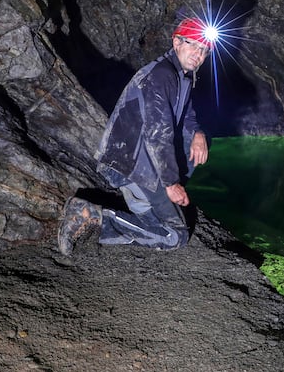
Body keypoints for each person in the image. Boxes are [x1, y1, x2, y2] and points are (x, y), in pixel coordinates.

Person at [58, 17, 212, 254]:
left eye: (203, 50)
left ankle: (145, 207)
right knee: (175, 237)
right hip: (131, 162)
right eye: (193, 45)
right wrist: (171, 183)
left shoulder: (181, 76)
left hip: (143, 160)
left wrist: (198, 132)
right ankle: (92, 216)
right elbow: (157, 135)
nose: (198, 54)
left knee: (198, 141)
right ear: (177, 42)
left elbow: (187, 111)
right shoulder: (162, 76)